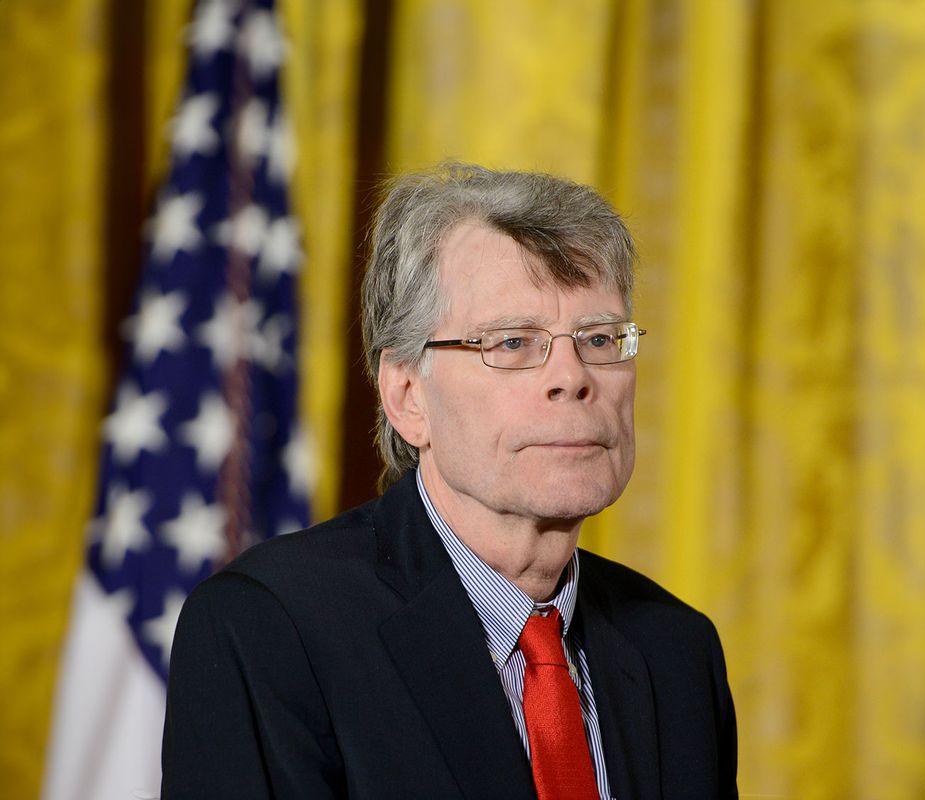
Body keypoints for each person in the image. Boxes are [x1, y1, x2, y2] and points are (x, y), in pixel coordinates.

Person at [161, 163, 738, 799]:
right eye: (514, 343)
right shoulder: (269, 630)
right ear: (407, 396)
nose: (573, 377)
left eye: (599, 338)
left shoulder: (677, 650)